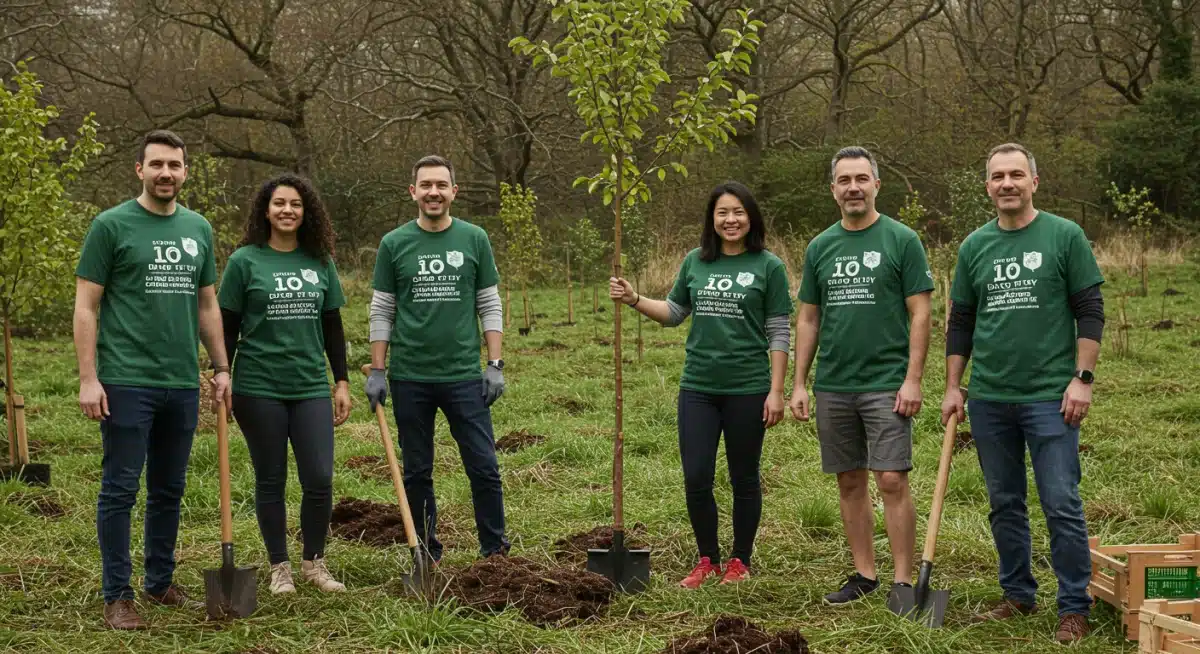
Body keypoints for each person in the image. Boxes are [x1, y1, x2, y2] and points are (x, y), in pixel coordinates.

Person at [941, 143, 1104, 644]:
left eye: (1016, 174)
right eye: (998, 176)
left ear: (1034, 181)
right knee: (1004, 501)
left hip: (1051, 397)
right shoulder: (974, 246)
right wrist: (953, 386)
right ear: (987, 186)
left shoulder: (1064, 235)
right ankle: (1017, 594)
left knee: (1060, 501)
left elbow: (1090, 309)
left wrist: (1082, 378)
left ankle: (1073, 606)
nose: (1007, 183)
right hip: (990, 398)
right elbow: (961, 321)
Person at [74, 129, 229, 630]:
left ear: (185, 171)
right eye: (157, 164)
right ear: (139, 169)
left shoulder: (198, 228)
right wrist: (88, 378)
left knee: (169, 489)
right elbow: (86, 305)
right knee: (120, 488)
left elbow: (207, 304)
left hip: (181, 382)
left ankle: (159, 582)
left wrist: (221, 367)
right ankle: (117, 595)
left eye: (174, 165)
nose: (166, 173)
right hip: (125, 380)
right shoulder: (111, 225)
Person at [610, 181, 792, 588]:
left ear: (751, 218)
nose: (731, 220)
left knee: (744, 477)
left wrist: (777, 390)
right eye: (722, 212)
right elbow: (674, 312)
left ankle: (740, 561)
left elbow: (779, 331)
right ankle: (707, 559)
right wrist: (634, 298)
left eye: (738, 212)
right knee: (696, 476)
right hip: (698, 387)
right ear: (712, 219)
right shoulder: (696, 261)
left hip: (748, 387)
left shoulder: (769, 267)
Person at [789, 146, 933, 605]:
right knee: (849, 480)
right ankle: (864, 575)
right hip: (834, 383)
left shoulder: (902, 240)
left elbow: (921, 313)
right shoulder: (820, 247)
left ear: (876, 185)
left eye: (861, 179)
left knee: (891, 479)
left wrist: (913, 378)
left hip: (886, 382)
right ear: (833, 189)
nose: (853, 188)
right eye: (844, 180)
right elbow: (808, 318)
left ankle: (903, 582)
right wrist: (799, 383)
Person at [365, 155, 509, 563]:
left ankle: (495, 552)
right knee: (416, 471)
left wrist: (494, 365)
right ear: (413, 192)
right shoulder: (394, 244)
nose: (434, 192)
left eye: (441, 185)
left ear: (454, 192)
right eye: (426, 185)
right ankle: (426, 552)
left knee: (484, 466)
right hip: (410, 377)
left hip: (464, 376)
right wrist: (378, 370)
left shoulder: (474, 238)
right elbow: (382, 310)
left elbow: (489, 304)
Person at [217, 173, 351, 595]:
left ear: (306, 211)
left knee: (320, 478)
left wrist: (341, 381)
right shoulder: (244, 261)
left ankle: (315, 562)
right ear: (266, 210)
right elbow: (227, 325)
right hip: (258, 387)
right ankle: (280, 567)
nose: (287, 210)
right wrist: (222, 372)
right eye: (279, 203)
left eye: (295, 204)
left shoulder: (319, 261)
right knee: (271, 479)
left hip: (310, 385)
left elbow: (333, 326)